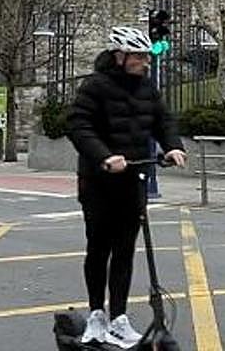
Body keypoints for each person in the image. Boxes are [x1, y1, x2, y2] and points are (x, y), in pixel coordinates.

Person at [67, 26, 187, 348]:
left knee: (124, 251)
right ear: (119, 56)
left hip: (133, 179)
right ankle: (96, 314)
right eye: (138, 56)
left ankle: (118, 318)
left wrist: (172, 146)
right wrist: (105, 157)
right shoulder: (94, 87)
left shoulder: (147, 87)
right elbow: (79, 126)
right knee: (98, 248)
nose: (144, 61)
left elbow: (163, 121)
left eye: (146, 56)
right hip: (99, 180)